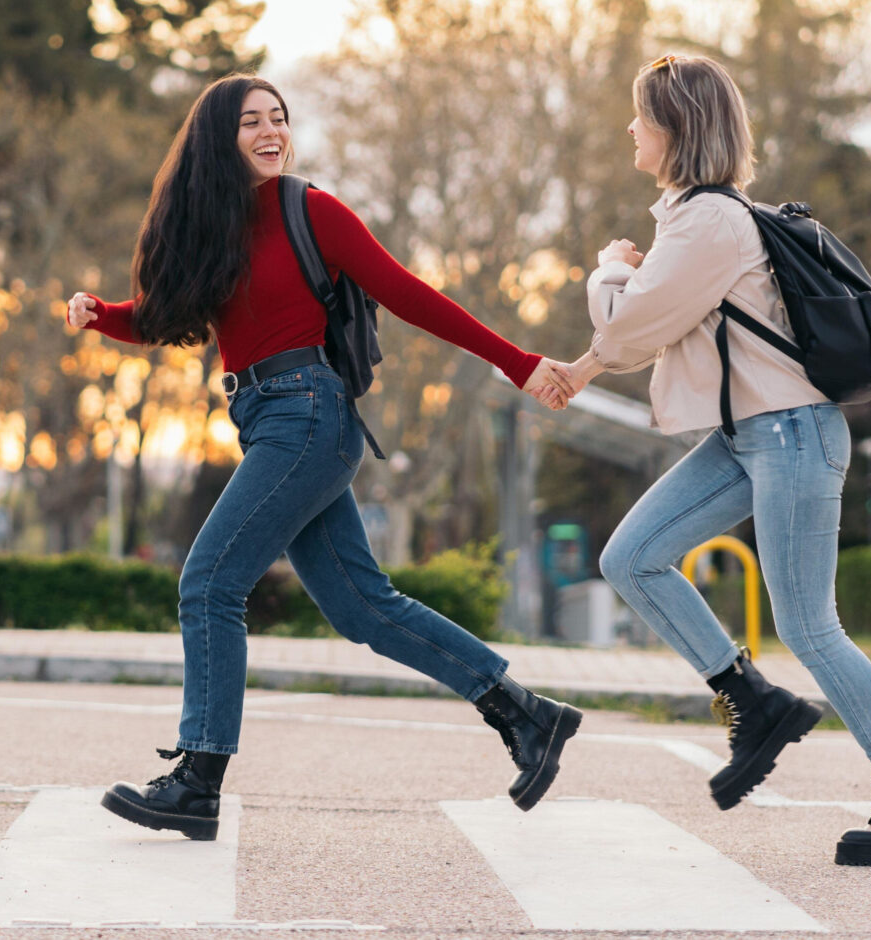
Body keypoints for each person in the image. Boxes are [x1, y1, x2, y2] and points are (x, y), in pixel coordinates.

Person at [66, 73, 584, 842]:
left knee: (208, 584)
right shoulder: (213, 224)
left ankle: (198, 781)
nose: (272, 131)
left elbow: (411, 294)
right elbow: (168, 316)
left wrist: (517, 361)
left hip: (308, 415)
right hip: (268, 419)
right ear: (218, 138)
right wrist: (101, 315)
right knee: (362, 607)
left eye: (279, 118)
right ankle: (527, 715)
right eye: (252, 122)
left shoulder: (312, 210)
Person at [561, 54, 871, 866]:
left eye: (641, 116)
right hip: (750, 435)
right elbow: (659, 327)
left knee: (810, 626)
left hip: (791, 433)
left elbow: (627, 329)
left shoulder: (710, 221)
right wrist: (588, 361)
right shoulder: (696, 221)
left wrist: (608, 267)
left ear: (676, 128)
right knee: (633, 556)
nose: (630, 130)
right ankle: (749, 695)